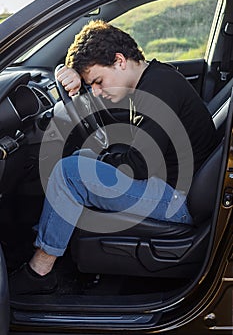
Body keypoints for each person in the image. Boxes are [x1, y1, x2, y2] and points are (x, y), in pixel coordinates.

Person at [10, 20, 217, 295]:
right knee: (81, 158)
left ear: (119, 61)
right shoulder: (155, 77)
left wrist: (99, 161)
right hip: (174, 183)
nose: (96, 90)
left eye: (97, 81)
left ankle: (40, 271)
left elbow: (140, 166)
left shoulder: (156, 91)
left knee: (70, 172)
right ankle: (47, 239)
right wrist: (70, 77)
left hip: (179, 201)